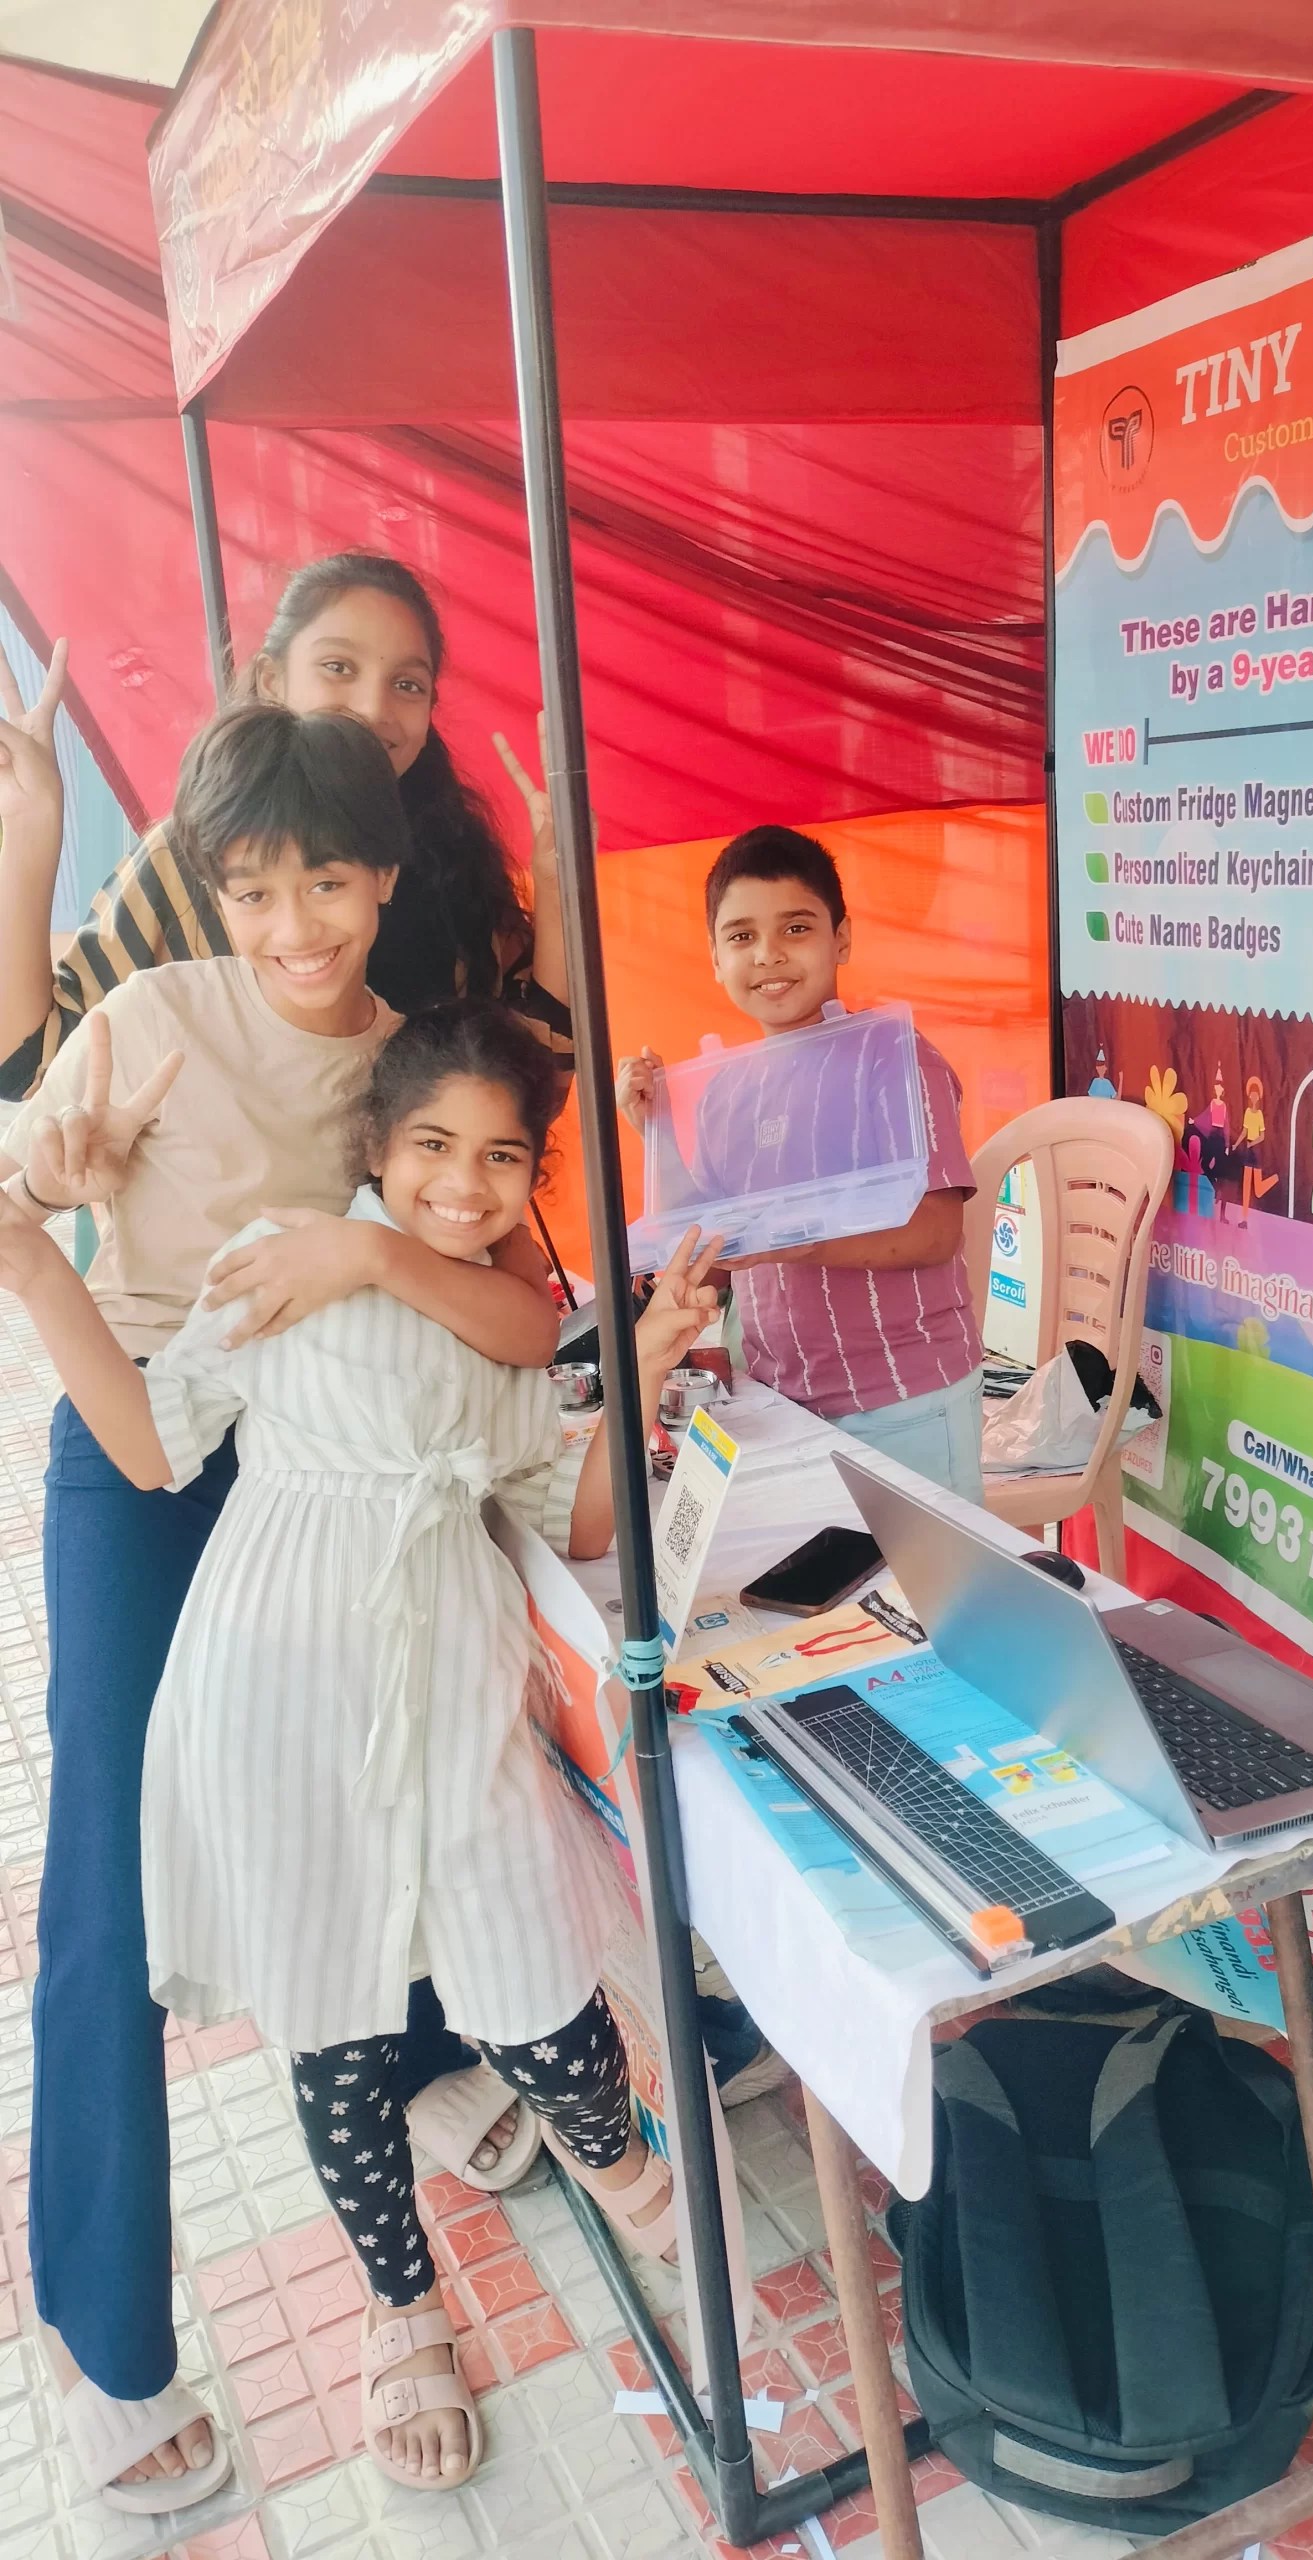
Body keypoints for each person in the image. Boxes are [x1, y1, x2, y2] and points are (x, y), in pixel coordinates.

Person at [0, 1000, 718, 2495]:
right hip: (276, 1706)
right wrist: (35, 1267)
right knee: (334, 2032)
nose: (464, 1183)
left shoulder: (501, 1318)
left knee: (542, 1993)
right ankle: (404, 2308)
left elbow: (577, 1516)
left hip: (453, 1703)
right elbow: (151, 1445)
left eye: (501, 1158)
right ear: (376, 1146)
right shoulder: (282, 1259)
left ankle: (640, 2189)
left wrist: (644, 1362)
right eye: (433, 1146)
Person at [0, 698, 560, 2513]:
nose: (294, 922)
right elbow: (23, 1171)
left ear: (383, 877)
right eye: (252, 888)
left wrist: (377, 1246)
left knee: (387, 1787)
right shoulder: (156, 1019)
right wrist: (52, 1179)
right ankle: (103, 2330)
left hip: (330, 1460)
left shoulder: (414, 1071)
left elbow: (520, 1305)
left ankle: (416, 2090)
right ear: (210, 890)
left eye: (326, 881)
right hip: (143, 1450)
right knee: (111, 1869)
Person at [0, 551, 573, 1101]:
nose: (373, 708)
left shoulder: (455, 863)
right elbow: (35, 1068)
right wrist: (31, 828)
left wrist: (556, 886)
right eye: (338, 667)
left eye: (407, 684)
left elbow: (536, 1084)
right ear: (273, 680)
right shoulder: (198, 851)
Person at [617, 824, 985, 1500]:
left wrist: (792, 1240)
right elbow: (712, 1256)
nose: (768, 955)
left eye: (795, 928)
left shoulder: (893, 1058)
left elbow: (936, 1232)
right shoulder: (725, 1090)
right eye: (741, 936)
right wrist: (655, 1130)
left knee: (927, 1573)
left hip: (903, 1401)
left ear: (840, 939)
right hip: (777, 1401)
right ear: (714, 957)